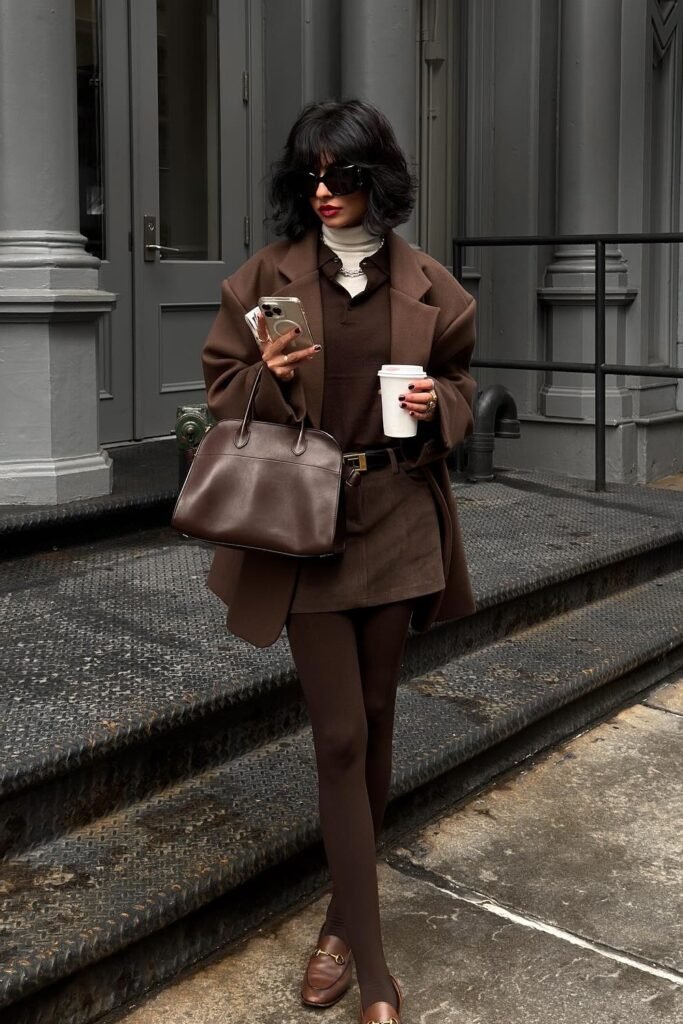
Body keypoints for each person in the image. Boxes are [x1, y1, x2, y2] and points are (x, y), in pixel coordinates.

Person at [202, 99, 477, 1024]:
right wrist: (268, 380)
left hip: (398, 514)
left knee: (376, 715)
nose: (324, 192)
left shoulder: (433, 285)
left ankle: (338, 916)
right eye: (311, 177)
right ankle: (374, 972)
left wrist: (441, 404)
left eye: (344, 177)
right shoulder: (262, 281)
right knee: (339, 740)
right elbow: (221, 392)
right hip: (303, 525)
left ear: (378, 181)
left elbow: (465, 387)